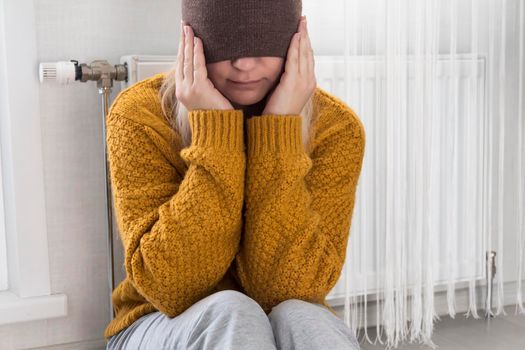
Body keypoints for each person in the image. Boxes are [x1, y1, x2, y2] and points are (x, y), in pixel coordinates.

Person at [104, 0, 365, 349]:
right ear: (191, 40)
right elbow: (170, 286)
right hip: (158, 322)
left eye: (263, 44)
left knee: (307, 319)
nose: (243, 64)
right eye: (226, 46)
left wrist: (279, 132)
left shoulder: (336, 128)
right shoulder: (140, 115)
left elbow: (292, 289)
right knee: (233, 312)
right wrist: (216, 134)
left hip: (274, 316)